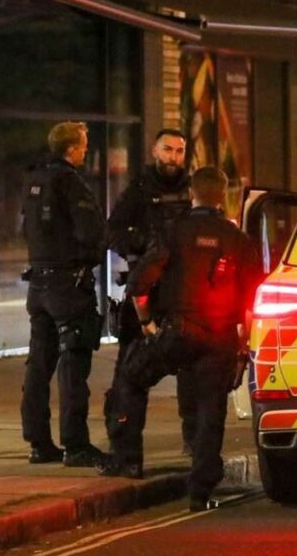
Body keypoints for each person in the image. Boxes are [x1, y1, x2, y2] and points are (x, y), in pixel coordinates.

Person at [99, 167, 261, 512]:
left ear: (192, 193)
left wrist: (148, 326)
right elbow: (252, 299)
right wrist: (243, 344)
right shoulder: (238, 240)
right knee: (210, 409)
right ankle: (200, 491)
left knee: (130, 378)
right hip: (219, 338)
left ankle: (128, 459)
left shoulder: (173, 232)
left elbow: (139, 285)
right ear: (224, 196)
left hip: (176, 333)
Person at [21, 121, 107, 466]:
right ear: (72, 149)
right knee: (73, 364)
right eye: (83, 145)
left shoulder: (35, 180)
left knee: (38, 365)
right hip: (68, 286)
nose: (86, 150)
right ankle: (75, 445)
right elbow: (91, 233)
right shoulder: (71, 183)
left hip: (39, 283)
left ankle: (39, 443)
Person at [106, 129, 197, 455]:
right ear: (154, 151)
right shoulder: (139, 191)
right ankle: (125, 450)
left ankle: (194, 442)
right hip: (145, 291)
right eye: (167, 149)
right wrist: (146, 245)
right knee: (130, 372)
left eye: (179, 151)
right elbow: (112, 232)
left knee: (192, 372)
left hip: (184, 292)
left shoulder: (191, 190)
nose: (173, 156)